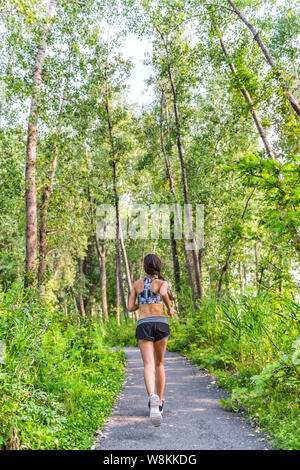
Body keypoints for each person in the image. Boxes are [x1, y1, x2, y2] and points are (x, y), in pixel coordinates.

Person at [128, 253, 174, 427]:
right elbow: (163, 293)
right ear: (158, 267)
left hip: (144, 324)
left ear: (144, 267)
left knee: (148, 365)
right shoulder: (162, 283)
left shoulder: (137, 284)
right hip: (161, 323)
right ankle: (160, 403)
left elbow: (130, 307)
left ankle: (151, 398)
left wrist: (143, 302)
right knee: (159, 364)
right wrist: (169, 308)